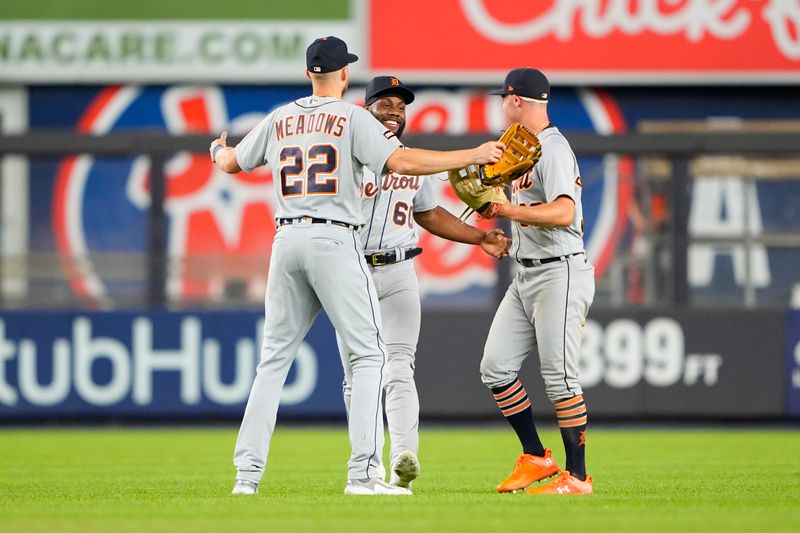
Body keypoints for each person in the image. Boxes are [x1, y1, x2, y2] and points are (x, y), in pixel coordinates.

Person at [209, 36, 505, 496]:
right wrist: (471, 154)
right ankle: (363, 475)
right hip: (334, 238)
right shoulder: (350, 117)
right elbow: (401, 160)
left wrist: (217, 152)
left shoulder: (281, 117)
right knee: (371, 357)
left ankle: (246, 478)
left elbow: (231, 163)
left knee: (272, 361)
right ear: (344, 75)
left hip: (286, 238)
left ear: (309, 73)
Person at [336, 76, 512, 491]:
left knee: (399, 367)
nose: (395, 111)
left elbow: (429, 214)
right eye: (385, 104)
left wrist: (479, 237)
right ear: (365, 110)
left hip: (399, 270)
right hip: (351, 270)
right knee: (357, 375)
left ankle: (401, 461)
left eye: (400, 106)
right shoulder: (347, 152)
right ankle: (366, 466)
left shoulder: (414, 161)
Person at [480, 68, 595, 495]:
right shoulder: (521, 147)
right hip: (526, 270)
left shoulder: (553, 148)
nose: (501, 107)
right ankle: (536, 457)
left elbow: (565, 212)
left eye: (503, 100)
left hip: (560, 270)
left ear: (515, 100)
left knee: (560, 378)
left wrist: (507, 212)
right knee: (495, 367)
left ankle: (579, 478)